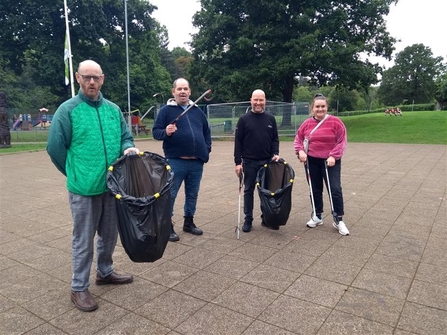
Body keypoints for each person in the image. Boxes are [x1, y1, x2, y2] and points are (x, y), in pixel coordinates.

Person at [47, 60, 139, 312]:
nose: (91, 82)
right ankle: (78, 287)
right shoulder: (68, 110)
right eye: (86, 77)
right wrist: (75, 172)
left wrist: (128, 147)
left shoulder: (113, 110)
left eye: (95, 78)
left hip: (112, 187)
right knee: (83, 239)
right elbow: (54, 148)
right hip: (84, 190)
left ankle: (105, 271)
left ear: (102, 79)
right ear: (78, 78)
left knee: (109, 235)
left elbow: (125, 137)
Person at [152, 78, 212, 242]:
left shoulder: (197, 111)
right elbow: (156, 132)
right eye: (179, 89)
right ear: (174, 92)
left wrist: (206, 150)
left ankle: (189, 222)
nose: (183, 92)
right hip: (176, 161)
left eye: (185, 89)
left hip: (197, 162)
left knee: (192, 194)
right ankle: (167, 225)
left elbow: (206, 132)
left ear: (190, 91)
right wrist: (166, 132)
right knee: (170, 194)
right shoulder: (166, 111)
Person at [293, 93, 350, 236]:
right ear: (313, 108)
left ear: (327, 107)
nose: (320, 109)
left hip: (330, 162)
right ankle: (317, 215)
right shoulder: (306, 124)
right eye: (317, 107)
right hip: (312, 160)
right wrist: (300, 151)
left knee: (335, 189)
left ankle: (338, 219)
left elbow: (342, 141)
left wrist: (333, 155)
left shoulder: (336, 122)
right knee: (314, 189)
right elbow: (298, 140)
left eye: (323, 106)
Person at [234, 89, 280, 233]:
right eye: (256, 100)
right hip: (249, 162)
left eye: (261, 100)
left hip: (267, 161)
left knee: (266, 192)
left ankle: (266, 218)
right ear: (251, 100)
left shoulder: (270, 119)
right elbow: (238, 142)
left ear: (265, 101)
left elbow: (275, 139)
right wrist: (237, 162)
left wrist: (275, 153)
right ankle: (248, 220)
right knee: (248, 191)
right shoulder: (243, 120)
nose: (258, 103)